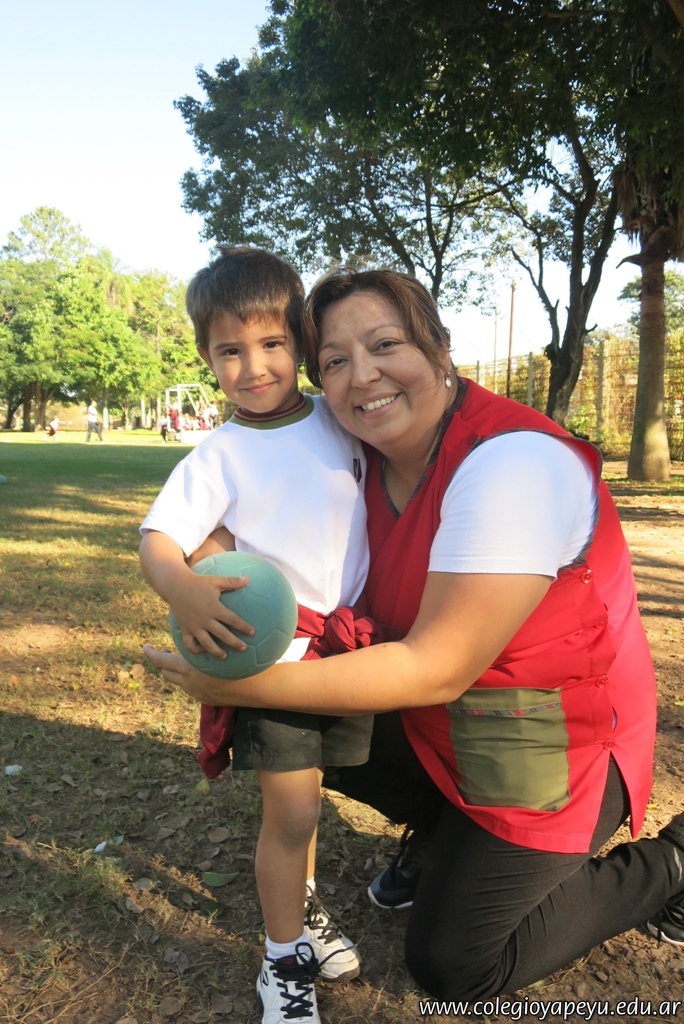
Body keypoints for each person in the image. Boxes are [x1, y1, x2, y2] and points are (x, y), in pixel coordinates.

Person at [144, 267, 684, 1003]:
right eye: (335, 360)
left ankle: (670, 865)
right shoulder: (359, 451)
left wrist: (241, 685)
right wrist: (211, 562)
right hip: (441, 724)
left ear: (438, 346)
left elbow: (436, 668)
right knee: (310, 735)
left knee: (456, 966)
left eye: (385, 344)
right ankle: (442, 835)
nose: (362, 375)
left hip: (552, 745)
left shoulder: (513, 464)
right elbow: (249, 508)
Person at [139, 248, 382, 1024]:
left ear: (301, 341)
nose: (253, 367)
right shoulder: (220, 454)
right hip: (274, 658)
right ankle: (282, 964)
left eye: (272, 343)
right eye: (230, 351)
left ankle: (302, 912)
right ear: (207, 357)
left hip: (347, 655)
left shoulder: (339, 419)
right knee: (294, 814)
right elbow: (158, 539)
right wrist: (182, 587)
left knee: (308, 803)